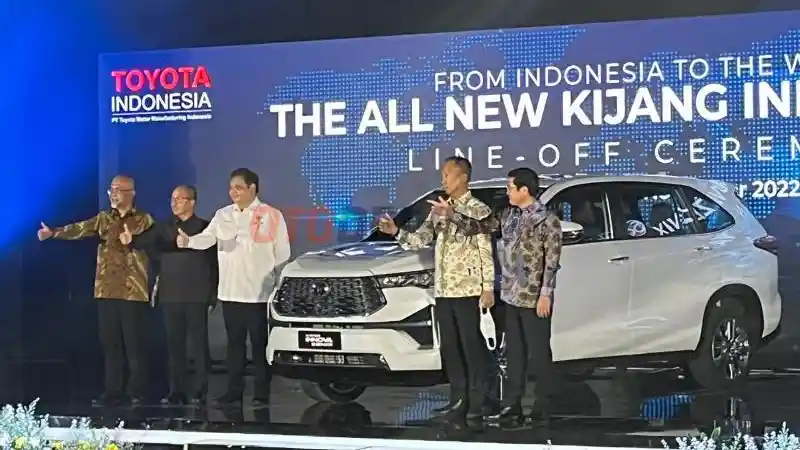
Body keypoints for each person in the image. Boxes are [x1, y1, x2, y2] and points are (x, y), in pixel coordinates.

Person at [429, 167, 562, 425]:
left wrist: (546, 293)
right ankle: (511, 406)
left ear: (524, 190)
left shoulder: (547, 220)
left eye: (510, 187)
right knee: (514, 355)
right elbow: (479, 228)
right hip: (511, 294)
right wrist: (452, 215)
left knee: (538, 354)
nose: (507, 192)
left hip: (534, 296)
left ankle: (542, 405)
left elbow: (552, 261)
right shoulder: (508, 215)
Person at [377, 156, 495, 421]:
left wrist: (487, 287)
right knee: (450, 347)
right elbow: (420, 239)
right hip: (443, 290)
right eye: (442, 175)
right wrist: (396, 231)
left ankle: (479, 402)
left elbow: (485, 249)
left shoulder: (478, 209)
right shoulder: (439, 209)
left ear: (463, 178)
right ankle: (458, 399)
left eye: (447, 175)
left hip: (468, 290)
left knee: (472, 347)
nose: (443, 180)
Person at [176, 168, 290, 406]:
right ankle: (234, 391)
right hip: (231, 292)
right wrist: (189, 242)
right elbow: (208, 238)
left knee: (259, 345)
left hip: (260, 294)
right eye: (231, 188)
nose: (233, 192)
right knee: (234, 345)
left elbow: (282, 253)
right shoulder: (223, 214)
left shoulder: (271, 215)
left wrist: (279, 286)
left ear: (252, 188)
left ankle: (261, 392)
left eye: (238, 188)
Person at [38, 175, 155, 406]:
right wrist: (54, 232)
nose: (113, 194)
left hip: (133, 291)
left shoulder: (144, 220)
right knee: (110, 343)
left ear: (131, 193)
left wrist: (134, 240)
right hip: (106, 290)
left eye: (118, 190)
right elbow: (81, 228)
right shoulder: (103, 218)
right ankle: (113, 390)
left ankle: (137, 390)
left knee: (134, 344)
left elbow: (154, 243)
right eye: (111, 190)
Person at [120, 185, 218, 406]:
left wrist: (212, 294)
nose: (174, 203)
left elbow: (214, 264)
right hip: (170, 294)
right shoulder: (163, 227)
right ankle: (176, 391)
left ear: (192, 202)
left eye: (180, 199)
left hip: (196, 295)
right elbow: (144, 240)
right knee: (174, 346)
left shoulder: (205, 228)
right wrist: (130, 240)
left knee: (198, 345)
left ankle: (200, 391)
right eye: (172, 198)